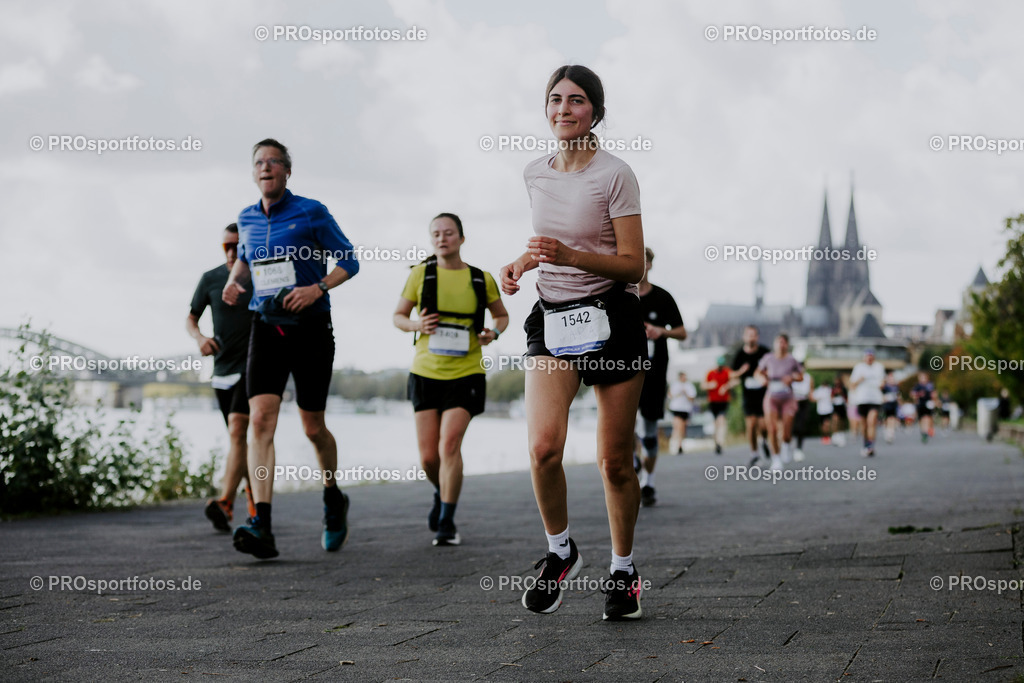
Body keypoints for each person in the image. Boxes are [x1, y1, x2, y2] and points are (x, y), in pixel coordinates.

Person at [500, 64, 647, 621]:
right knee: (542, 449)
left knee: (613, 461)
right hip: (553, 317)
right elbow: (546, 243)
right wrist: (519, 264)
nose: (564, 109)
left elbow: (632, 265)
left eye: (577, 101)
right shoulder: (534, 172)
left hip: (612, 316)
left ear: (597, 112)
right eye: (555, 100)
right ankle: (561, 553)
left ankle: (624, 571)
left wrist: (572, 257)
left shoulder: (616, 174)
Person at [222, 138, 360, 559]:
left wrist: (315, 288)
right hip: (265, 326)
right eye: (259, 162)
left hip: (311, 328)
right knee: (260, 420)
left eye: (274, 162)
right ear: (253, 172)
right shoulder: (245, 218)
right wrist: (234, 280)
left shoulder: (311, 212)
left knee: (312, 427)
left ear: (286, 171)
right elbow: (245, 257)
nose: (266, 168)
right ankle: (261, 520)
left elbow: (349, 260)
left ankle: (333, 497)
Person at [393, 213, 508, 546]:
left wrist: (494, 332)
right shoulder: (420, 275)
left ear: (461, 237)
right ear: (432, 240)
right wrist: (418, 326)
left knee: (449, 446)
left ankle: (446, 521)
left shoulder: (480, 278)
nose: (442, 239)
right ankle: (441, 491)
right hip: (425, 373)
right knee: (429, 458)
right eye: (436, 234)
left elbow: (501, 315)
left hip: (466, 373)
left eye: (448, 233)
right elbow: (398, 317)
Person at [187, 223, 255, 532]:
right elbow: (191, 318)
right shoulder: (211, 278)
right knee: (239, 440)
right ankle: (252, 502)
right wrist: (200, 337)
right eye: (226, 246)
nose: (231, 252)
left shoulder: (258, 276)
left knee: (238, 430)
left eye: (237, 246)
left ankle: (226, 501)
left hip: (253, 366)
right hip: (221, 371)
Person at [634, 247, 687, 508]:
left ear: (651, 265)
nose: (640, 265)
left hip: (654, 373)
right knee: (624, 427)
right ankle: (632, 463)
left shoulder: (663, 297)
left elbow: (682, 332)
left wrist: (660, 331)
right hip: (624, 370)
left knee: (650, 432)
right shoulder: (620, 296)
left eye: (643, 261)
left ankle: (649, 482)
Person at [754, 334, 804, 470]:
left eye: (784, 342)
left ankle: (786, 445)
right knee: (772, 428)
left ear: (787, 345)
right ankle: (776, 459)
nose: (781, 345)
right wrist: (762, 379)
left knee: (787, 430)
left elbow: (801, 376)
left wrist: (792, 377)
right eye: (779, 342)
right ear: (775, 344)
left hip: (787, 397)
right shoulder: (768, 358)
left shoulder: (792, 360)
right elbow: (757, 372)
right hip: (772, 397)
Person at [731, 325, 771, 466]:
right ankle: (754, 453)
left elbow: (773, 368)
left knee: (764, 426)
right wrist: (742, 371)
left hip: (763, 394)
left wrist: (765, 376)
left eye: (753, 335)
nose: (751, 337)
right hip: (748, 395)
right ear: (744, 337)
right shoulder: (740, 355)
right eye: (748, 334)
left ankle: (764, 441)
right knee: (751, 425)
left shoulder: (765, 352)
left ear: (757, 337)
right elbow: (732, 374)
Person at [849, 348, 885, 457]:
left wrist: (881, 385)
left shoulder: (879, 367)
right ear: (864, 357)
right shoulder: (858, 368)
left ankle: (871, 446)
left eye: (871, 356)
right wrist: (860, 379)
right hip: (862, 399)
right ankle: (865, 443)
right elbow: (852, 385)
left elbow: (882, 382)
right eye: (867, 356)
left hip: (875, 399)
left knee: (871, 421)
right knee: (864, 425)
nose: (869, 358)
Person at [702, 356, 734, 454]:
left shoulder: (727, 371)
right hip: (713, 401)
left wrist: (726, 386)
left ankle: (720, 442)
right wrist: (710, 385)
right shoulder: (710, 373)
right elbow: (703, 385)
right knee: (716, 423)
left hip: (724, 401)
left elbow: (735, 381)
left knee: (722, 421)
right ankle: (716, 442)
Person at [667, 371, 697, 456]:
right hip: (676, 408)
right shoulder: (675, 385)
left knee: (683, 428)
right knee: (678, 426)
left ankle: (680, 444)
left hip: (685, 409)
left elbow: (692, 398)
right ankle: (676, 444)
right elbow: (670, 395)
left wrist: (685, 393)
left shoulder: (689, 386)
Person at [790, 369, 812, 462]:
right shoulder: (790, 376)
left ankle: (799, 448)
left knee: (801, 425)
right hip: (792, 403)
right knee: (792, 426)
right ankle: (787, 445)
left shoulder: (808, 377)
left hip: (803, 403)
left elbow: (810, 392)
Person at [912, 371, 937, 444]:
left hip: (928, 404)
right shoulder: (917, 386)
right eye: (921, 377)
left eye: (924, 377)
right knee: (921, 419)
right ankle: (923, 432)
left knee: (927, 417)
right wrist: (918, 395)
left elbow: (934, 393)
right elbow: (913, 394)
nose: (922, 379)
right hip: (920, 404)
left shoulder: (930, 385)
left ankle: (926, 431)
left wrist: (934, 401)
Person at [812, 375, 835, 445]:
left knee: (826, 424)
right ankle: (824, 436)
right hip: (822, 410)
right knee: (823, 424)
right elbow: (814, 398)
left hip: (828, 409)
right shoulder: (819, 390)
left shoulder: (829, 390)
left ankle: (827, 435)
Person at [881, 371, 900, 444]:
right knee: (887, 418)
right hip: (886, 404)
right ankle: (886, 430)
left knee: (892, 418)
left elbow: (898, 395)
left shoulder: (896, 386)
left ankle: (890, 432)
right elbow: (881, 392)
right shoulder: (885, 386)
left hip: (893, 404)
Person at [830, 376, 849, 447]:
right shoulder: (833, 388)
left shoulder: (843, 389)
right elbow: (831, 397)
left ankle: (841, 434)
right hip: (835, 406)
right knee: (835, 420)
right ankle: (835, 434)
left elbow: (846, 398)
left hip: (842, 406)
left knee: (841, 421)